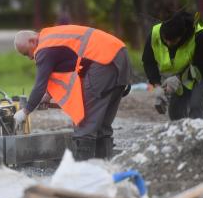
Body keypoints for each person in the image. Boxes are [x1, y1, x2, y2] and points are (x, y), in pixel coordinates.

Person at [13, 25, 131, 160]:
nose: (29, 57)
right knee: (102, 124)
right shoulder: (52, 38)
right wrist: (47, 96)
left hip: (103, 61)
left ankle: (82, 174)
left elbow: (40, 85)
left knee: (84, 122)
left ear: (32, 41)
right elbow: (65, 70)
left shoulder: (43, 49)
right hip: (119, 55)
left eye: (26, 53)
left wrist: (25, 111)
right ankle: (104, 169)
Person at [142, 11, 203, 120]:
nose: (169, 44)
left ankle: (199, 132)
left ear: (182, 35)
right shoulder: (155, 34)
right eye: (166, 40)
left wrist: (178, 79)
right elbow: (148, 61)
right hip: (184, 74)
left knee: (196, 105)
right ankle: (180, 133)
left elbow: (202, 66)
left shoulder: (199, 36)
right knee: (175, 111)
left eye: (173, 41)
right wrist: (157, 85)